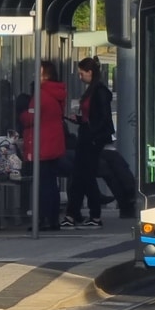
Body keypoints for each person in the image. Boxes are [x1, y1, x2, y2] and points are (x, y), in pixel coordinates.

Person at [62, 57, 116, 229]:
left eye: (81, 73)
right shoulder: (94, 91)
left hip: (91, 139)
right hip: (88, 137)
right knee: (82, 176)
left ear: (90, 72)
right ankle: (76, 214)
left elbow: (103, 118)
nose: (80, 77)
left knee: (83, 176)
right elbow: (93, 117)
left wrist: (91, 133)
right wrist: (80, 120)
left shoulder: (99, 92)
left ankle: (86, 215)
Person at [20, 60, 67, 232]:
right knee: (51, 183)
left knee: (42, 184)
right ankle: (52, 219)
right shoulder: (56, 93)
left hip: (42, 144)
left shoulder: (41, 95)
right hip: (53, 143)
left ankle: (44, 219)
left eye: (37, 73)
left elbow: (31, 118)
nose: (34, 75)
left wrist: (23, 114)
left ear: (45, 75)